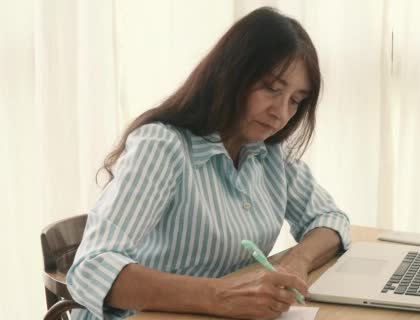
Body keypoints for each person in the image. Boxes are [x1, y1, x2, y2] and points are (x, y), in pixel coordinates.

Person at [66, 6, 351, 320]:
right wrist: (222, 296)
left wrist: (297, 261)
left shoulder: (269, 153)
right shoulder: (162, 146)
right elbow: (91, 268)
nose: (281, 114)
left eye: (296, 101)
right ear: (232, 74)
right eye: (271, 88)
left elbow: (329, 218)